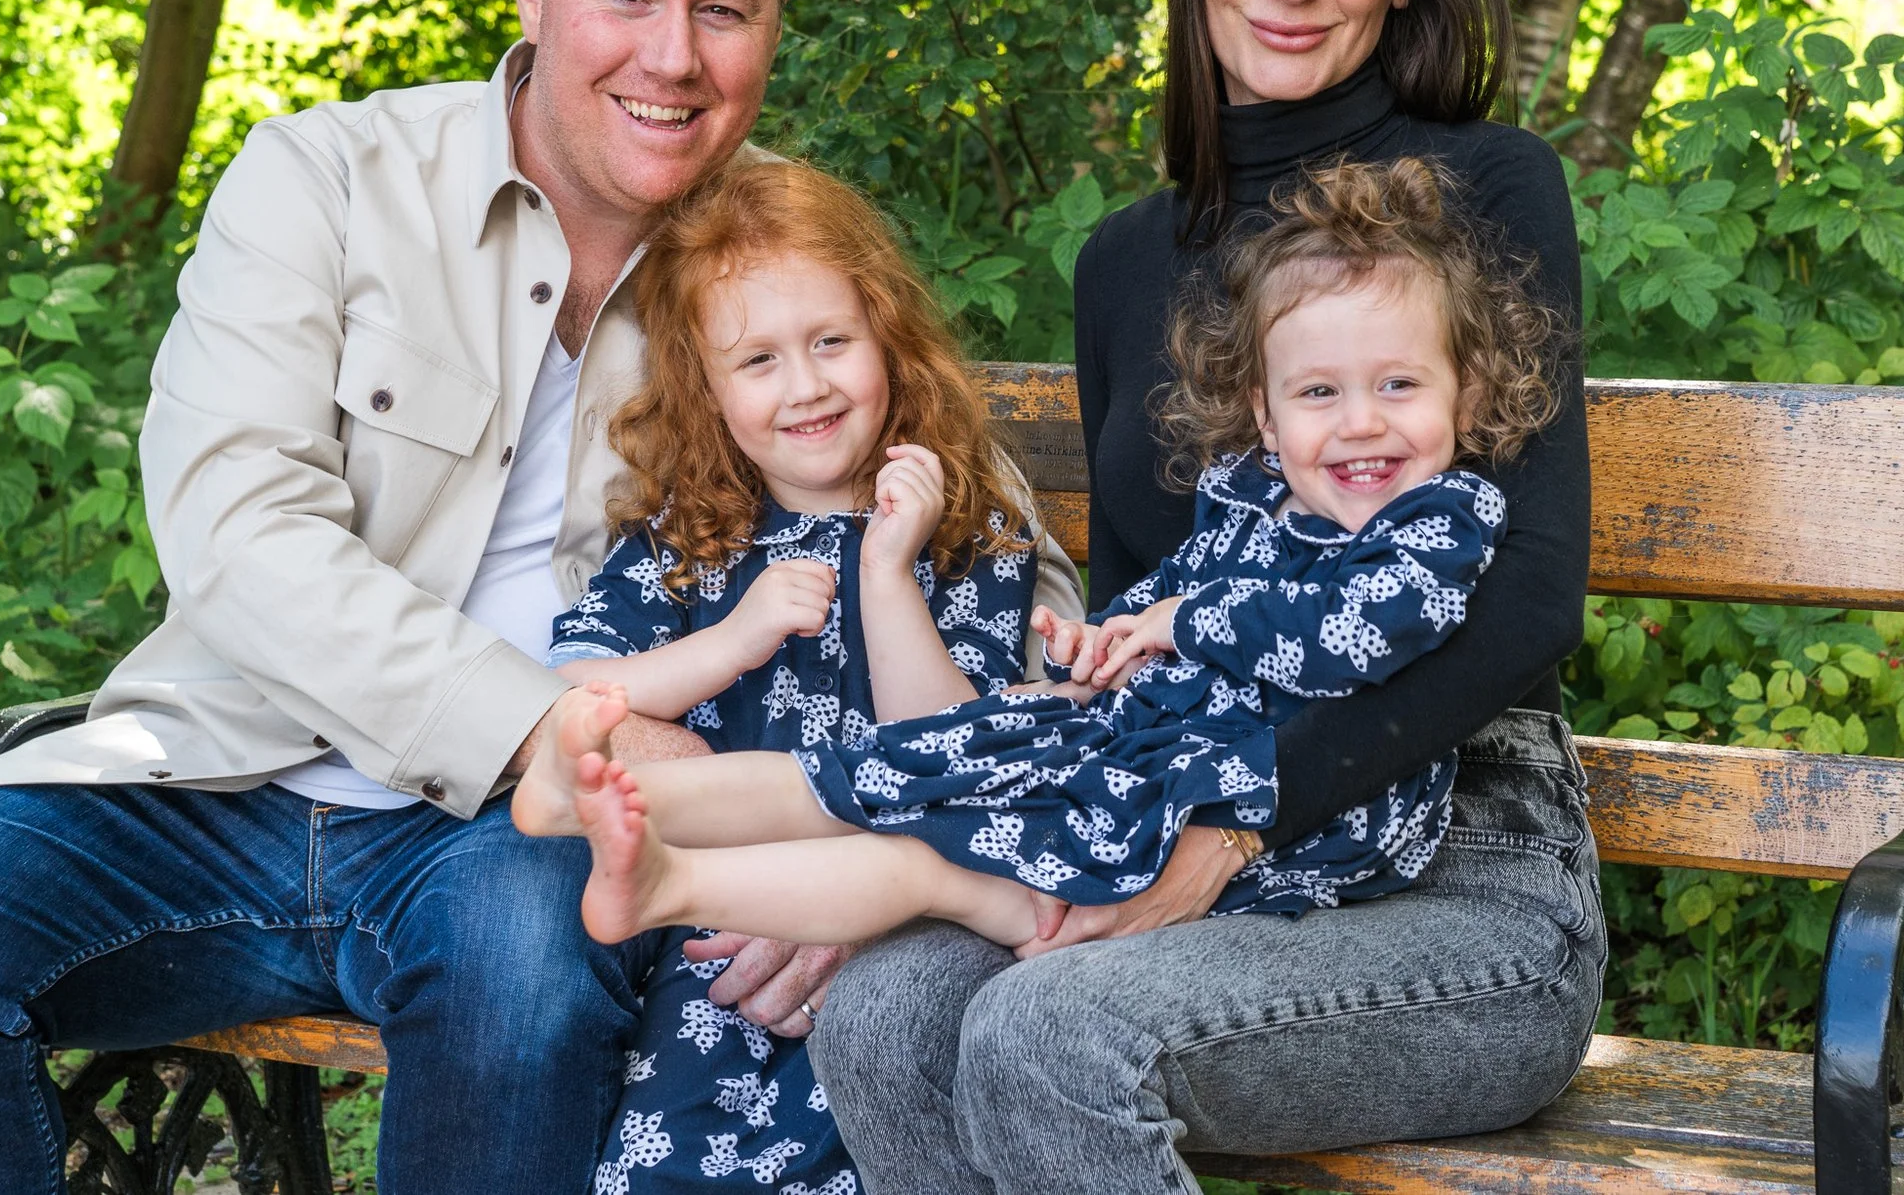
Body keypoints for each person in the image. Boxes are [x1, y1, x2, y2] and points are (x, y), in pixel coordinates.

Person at [0, 0, 1081, 1194]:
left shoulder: (769, 248)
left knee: (526, 963)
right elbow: (237, 529)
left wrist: (886, 839)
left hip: (519, 840)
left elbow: (977, 522)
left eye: (725, 9)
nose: (673, 56)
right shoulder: (323, 181)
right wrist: (536, 725)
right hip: (224, 774)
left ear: (774, 23)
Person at [809, 0, 1602, 1192]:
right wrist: (938, 848)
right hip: (1196, 820)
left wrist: (1231, 827)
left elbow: (1533, 602)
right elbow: (1134, 637)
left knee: (1053, 1031)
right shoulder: (1126, 260)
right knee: (877, 1011)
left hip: (1470, 869)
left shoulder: (1489, 187)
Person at [520, 154, 1559, 971]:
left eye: (1399, 386)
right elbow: (1167, 598)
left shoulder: (1440, 515)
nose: (1361, 424)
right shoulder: (1251, 497)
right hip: (1161, 763)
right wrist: (1099, 642)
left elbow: (1350, 635)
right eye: (1321, 394)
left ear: (1462, 397)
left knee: (925, 847)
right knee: (900, 772)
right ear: (1266, 414)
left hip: (1278, 821)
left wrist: (1175, 627)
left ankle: (670, 882)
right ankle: (620, 825)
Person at [532, 158, 1040, 1193]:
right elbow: (583, 694)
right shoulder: (690, 535)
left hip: (894, 927)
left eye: (830, 342)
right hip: (714, 943)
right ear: (705, 389)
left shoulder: (965, 530)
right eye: (756, 359)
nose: (804, 385)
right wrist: (731, 641)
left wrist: (886, 573)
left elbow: (951, 756)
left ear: (886, 341)